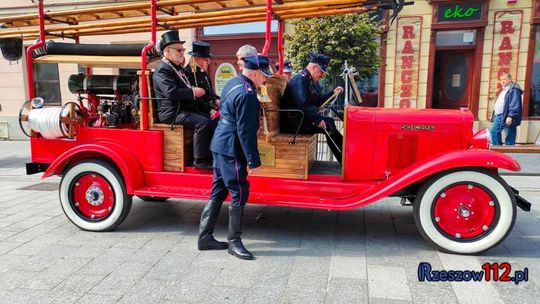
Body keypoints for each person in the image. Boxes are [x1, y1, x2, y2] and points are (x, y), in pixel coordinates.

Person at [198, 55, 271, 260]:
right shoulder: (248, 94)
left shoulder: (234, 81)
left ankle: (205, 237)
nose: (264, 80)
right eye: (263, 76)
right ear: (255, 73)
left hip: (220, 144)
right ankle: (234, 242)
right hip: (232, 147)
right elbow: (246, 131)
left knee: (219, 189)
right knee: (239, 190)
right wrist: (253, 161)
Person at [153, 31, 213, 170]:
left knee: (207, 119)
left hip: (181, 109)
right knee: (203, 123)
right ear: (167, 51)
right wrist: (193, 92)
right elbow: (171, 92)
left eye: (183, 50)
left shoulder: (174, 67)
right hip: (171, 113)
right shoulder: (163, 70)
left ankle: (205, 155)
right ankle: (199, 160)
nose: (182, 53)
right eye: (179, 50)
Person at [281, 53, 344, 163]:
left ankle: (345, 155)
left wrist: (332, 93)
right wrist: (317, 120)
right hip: (294, 123)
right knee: (328, 124)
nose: (323, 75)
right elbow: (303, 104)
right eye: (321, 71)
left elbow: (318, 99)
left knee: (329, 121)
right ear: (314, 67)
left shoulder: (310, 81)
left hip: (301, 119)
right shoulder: (300, 80)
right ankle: (343, 159)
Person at [184, 41, 220, 122]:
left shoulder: (202, 72)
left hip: (208, 109)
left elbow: (210, 92)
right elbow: (195, 99)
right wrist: (210, 110)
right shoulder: (189, 73)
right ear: (196, 59)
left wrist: (216, 100)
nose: (209, 62)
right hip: (198, 110)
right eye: (206, 60)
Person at [490, 72, 523, 145]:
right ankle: (498, 150)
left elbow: (515, 103)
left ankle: (509, 152)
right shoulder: (504, 89)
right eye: (501, 79)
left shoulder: (514, 89)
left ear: (510, 79)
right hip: (499, 115)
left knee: (509, 134)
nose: (502, 81)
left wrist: (510, 116)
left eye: (504, 79)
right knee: (494, 131)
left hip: (507, 115)